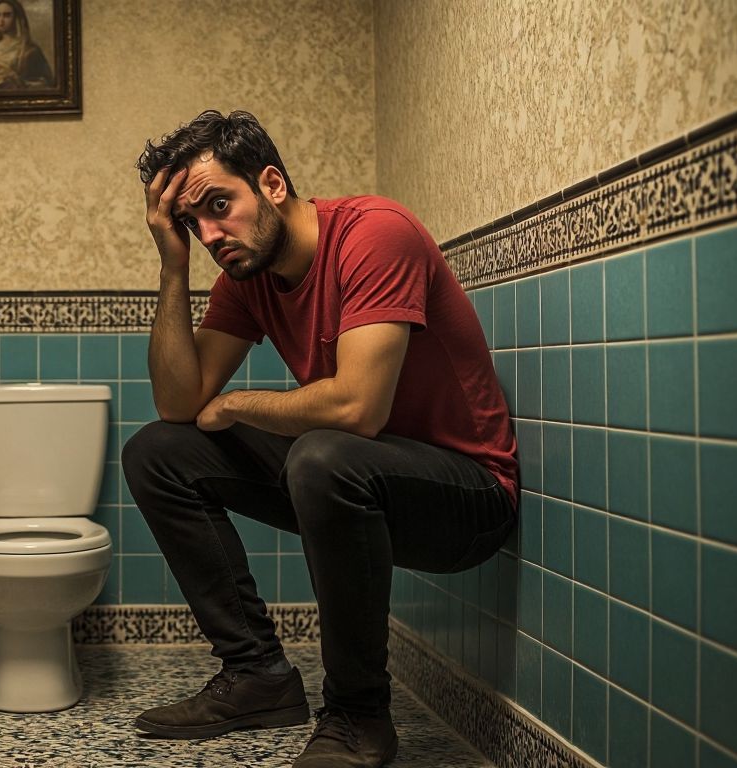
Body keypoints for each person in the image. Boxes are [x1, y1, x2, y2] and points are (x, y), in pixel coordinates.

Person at [124, 110, 518, 768]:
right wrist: (172, 266)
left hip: (470, 498)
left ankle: (358, 718)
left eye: (220, 205)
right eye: (195, 223)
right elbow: (177, 404)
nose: (212, 234)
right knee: (158, 454)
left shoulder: (374, 233)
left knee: (324, 453)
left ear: (272, 184)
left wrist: (242, 404)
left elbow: (360, 408)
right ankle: (257, 678)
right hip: (358, 475)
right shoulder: (244, 279)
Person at [0, 0, 54, 91]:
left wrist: (16, 80)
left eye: (7, 15)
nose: (1, 20)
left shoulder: (29, 51)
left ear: (17, 18)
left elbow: (47, 84)